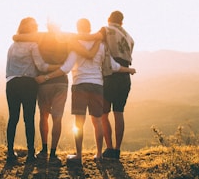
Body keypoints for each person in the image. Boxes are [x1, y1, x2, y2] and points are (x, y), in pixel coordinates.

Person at [35, 18, 135, 163]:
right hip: (97, 85)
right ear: (90, 28)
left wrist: (46, 77)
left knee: (79, 122)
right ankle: (99, 154)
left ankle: (79, 156)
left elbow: (66, 68)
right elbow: (113, 66)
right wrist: (129, 70)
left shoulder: (75, 44)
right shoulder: (101, 45)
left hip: (80, 85)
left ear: (77, 28)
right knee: (98, 121)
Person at [12, 22, 100, 164]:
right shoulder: (68, 38)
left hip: (43, 82)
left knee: (44, 116)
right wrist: (98, 36)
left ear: (47, 25)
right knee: (57, 118)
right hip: (60, 83)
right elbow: (84, 42)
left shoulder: (39, 37)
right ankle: (53, 154)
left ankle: (44, 150)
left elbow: (16, 37)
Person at [76, 11, 135, 159]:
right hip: (125, 76)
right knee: (119, 113)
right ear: (122, 22)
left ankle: (108, 148)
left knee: (103, 113)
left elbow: (92, 38)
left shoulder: (106, 30)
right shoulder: (129, 37)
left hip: (110, 75)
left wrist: (73, 37)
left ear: (109, 19)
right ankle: (117, 149)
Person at [5, 17, 59, 163]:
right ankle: (30, 154)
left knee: (13, 118)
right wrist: (59, 67)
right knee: (29, 118)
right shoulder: (33, 45)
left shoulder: (12, 45)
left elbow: (8, 68)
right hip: (28, 84)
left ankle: (10, 152)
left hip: (11, 83)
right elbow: (41, 66)